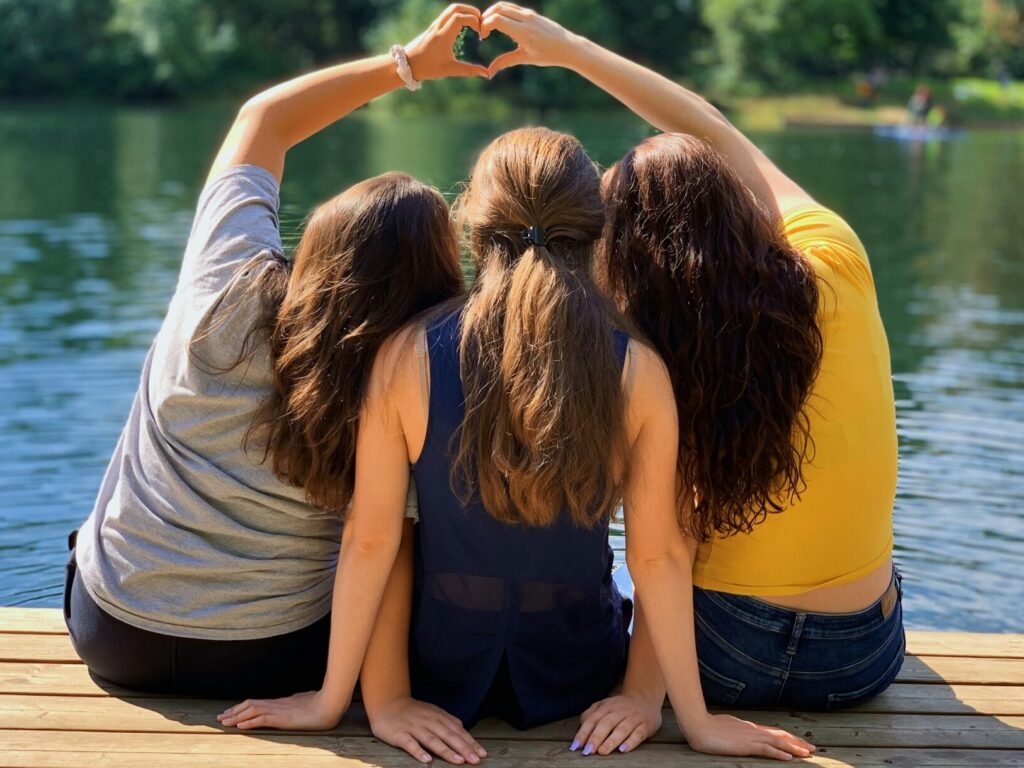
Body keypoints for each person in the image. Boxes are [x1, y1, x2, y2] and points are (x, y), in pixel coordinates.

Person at [221, 115, 812, 764]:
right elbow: (658, 557)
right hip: (577, 673)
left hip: (437, 671)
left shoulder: (405, 355)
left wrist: (345, 701)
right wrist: (676, 712)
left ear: (474, 226)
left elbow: (371, 539)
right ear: (595, 231)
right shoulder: (639, 368)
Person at [478, 2, 903, 754]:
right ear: (737, 209)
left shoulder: (653, 357)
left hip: (718, 662)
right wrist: (572, 49)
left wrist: (646, 692)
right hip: (861, 660)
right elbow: (714, 128)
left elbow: (662, 546)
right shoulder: (837, 258)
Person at [65, 3, 485, 706]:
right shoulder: (409, 374)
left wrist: (406, 64)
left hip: (115, 634)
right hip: (275, 659)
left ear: (319, 243)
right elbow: (386, 548)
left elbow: (262, 119)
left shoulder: (223, 283)